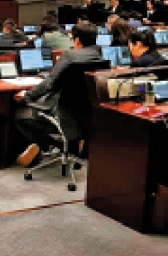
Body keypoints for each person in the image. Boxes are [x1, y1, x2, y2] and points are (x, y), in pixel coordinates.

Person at [14, 24, 104, 168]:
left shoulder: (70, 55)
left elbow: (49, 83)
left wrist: (27, 96)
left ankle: (48, 146)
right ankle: (67, 148)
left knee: (20, 115)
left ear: (77, 40)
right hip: (85, 112)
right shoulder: (99, 56)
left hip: (62, 110)